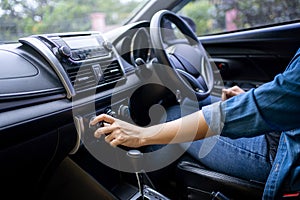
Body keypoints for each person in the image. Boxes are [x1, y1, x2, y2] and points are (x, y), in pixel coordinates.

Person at [90, 48, 300, 199]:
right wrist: (261, 101)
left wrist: (142, 134)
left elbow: (271, 101)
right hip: (285, 132)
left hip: (285, 151)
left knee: (172, 115)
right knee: (202, 104)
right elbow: (287, 94)